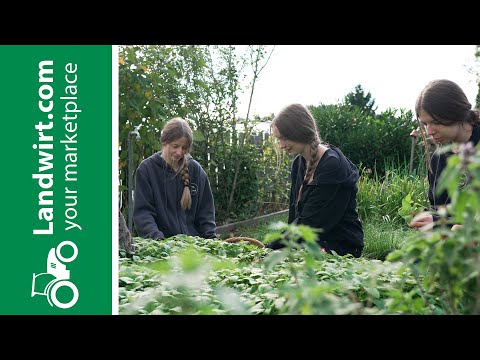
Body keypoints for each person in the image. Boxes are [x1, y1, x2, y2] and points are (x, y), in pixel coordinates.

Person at [266, 103, 364, 258]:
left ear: (299, 131)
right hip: (313, 243)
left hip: (340, 247)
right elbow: (295, 217)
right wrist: (279, 249)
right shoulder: (299, 163)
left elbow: (310, 223)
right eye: (279, 139)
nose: (281, 145)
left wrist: (272, 249)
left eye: (284, 138)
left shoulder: (332, 166)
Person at [410, 79, 480, 231]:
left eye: (435, 122)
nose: (429, 131)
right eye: (425, 124)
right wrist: (431, 220)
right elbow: (438, 209)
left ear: (456, 112)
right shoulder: (438, 159)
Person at [133, 117, 217, 240]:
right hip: (161, 247)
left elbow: (206, 215)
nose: (179, 152)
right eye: (175, 146)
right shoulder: (147, 170)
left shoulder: (196, 171)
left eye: (184, 148)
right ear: (164, 142)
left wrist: (211, 241)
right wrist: (159, 243)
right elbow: (143, 214)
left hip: (194, 249)